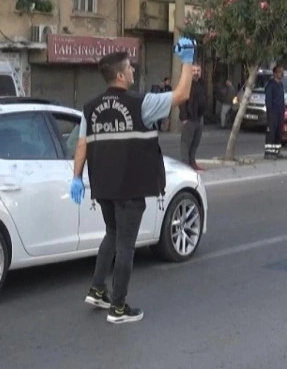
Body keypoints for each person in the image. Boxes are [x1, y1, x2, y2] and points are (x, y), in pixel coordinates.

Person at [69, 36, 196, 324]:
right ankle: (118, 307)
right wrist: (188, 61)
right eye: (129, 68)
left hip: (103, 187)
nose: (133, 71)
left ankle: (98, 289)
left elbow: (82, 145)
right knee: (125, 244)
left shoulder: (90, 108)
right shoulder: (142, 104)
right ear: (119, 75)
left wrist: (76, 177)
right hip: (130, 187)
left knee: (112, 235)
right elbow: (181, 94)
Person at [179, 65, 208, 171]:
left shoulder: (202, 83)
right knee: (186, 144)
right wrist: (184, 117)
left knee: (195, 143)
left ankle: (192, 162)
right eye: (194, 70)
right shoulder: (186, 83)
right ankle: (185, 166)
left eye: (198, 70)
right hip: (189, 118)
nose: (196, 72)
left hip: (199, 118)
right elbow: (181, 101)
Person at [264, 65, 287, 159]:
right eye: (279, 72)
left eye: (282, 72)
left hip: (280, 112)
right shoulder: (270, 85)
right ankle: (268, 153)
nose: (282, 74)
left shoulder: (280, 84)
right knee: (271, 132)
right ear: (274, 74)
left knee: (278, 133)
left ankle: (276, 152)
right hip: (273, 113)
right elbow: (268, 101)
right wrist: (270, 113)